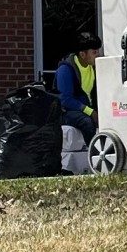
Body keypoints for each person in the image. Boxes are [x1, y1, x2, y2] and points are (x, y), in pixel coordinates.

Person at [54, 32, 101, 174]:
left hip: (85, 109)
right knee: (87, 122)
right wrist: (91, 112)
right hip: (64, 112)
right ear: (82, 54)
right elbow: (65, 99)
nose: (97, 55)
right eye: (94, 52)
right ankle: (96, 160)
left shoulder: (93, 67)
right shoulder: (66, 69)